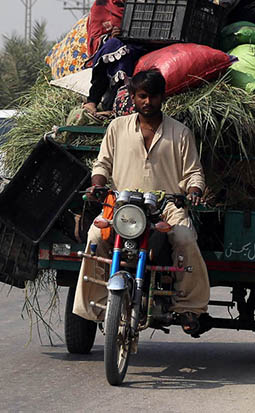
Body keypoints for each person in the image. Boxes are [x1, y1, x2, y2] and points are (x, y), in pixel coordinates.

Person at [73, 69, 210, 333]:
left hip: (166, 206)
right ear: (133, 98)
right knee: (94, 239)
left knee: (184, 240)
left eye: (153, 96)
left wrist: (193, 190)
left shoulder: (180, 133)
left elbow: (194, 172)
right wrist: (97, 186)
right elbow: (102, 163)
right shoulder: (117, 127)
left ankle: (189, 307)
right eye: (142, 96)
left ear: (163, 97)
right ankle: (96, 304)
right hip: (122, 203)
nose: (148, 102)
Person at [83, 0, 145, 115]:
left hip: (139, 47)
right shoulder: (102, 4)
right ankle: (94, 101)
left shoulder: (144, 1)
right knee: (115, 47)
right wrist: (111, 36)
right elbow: (94, 39)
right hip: (112, 52)